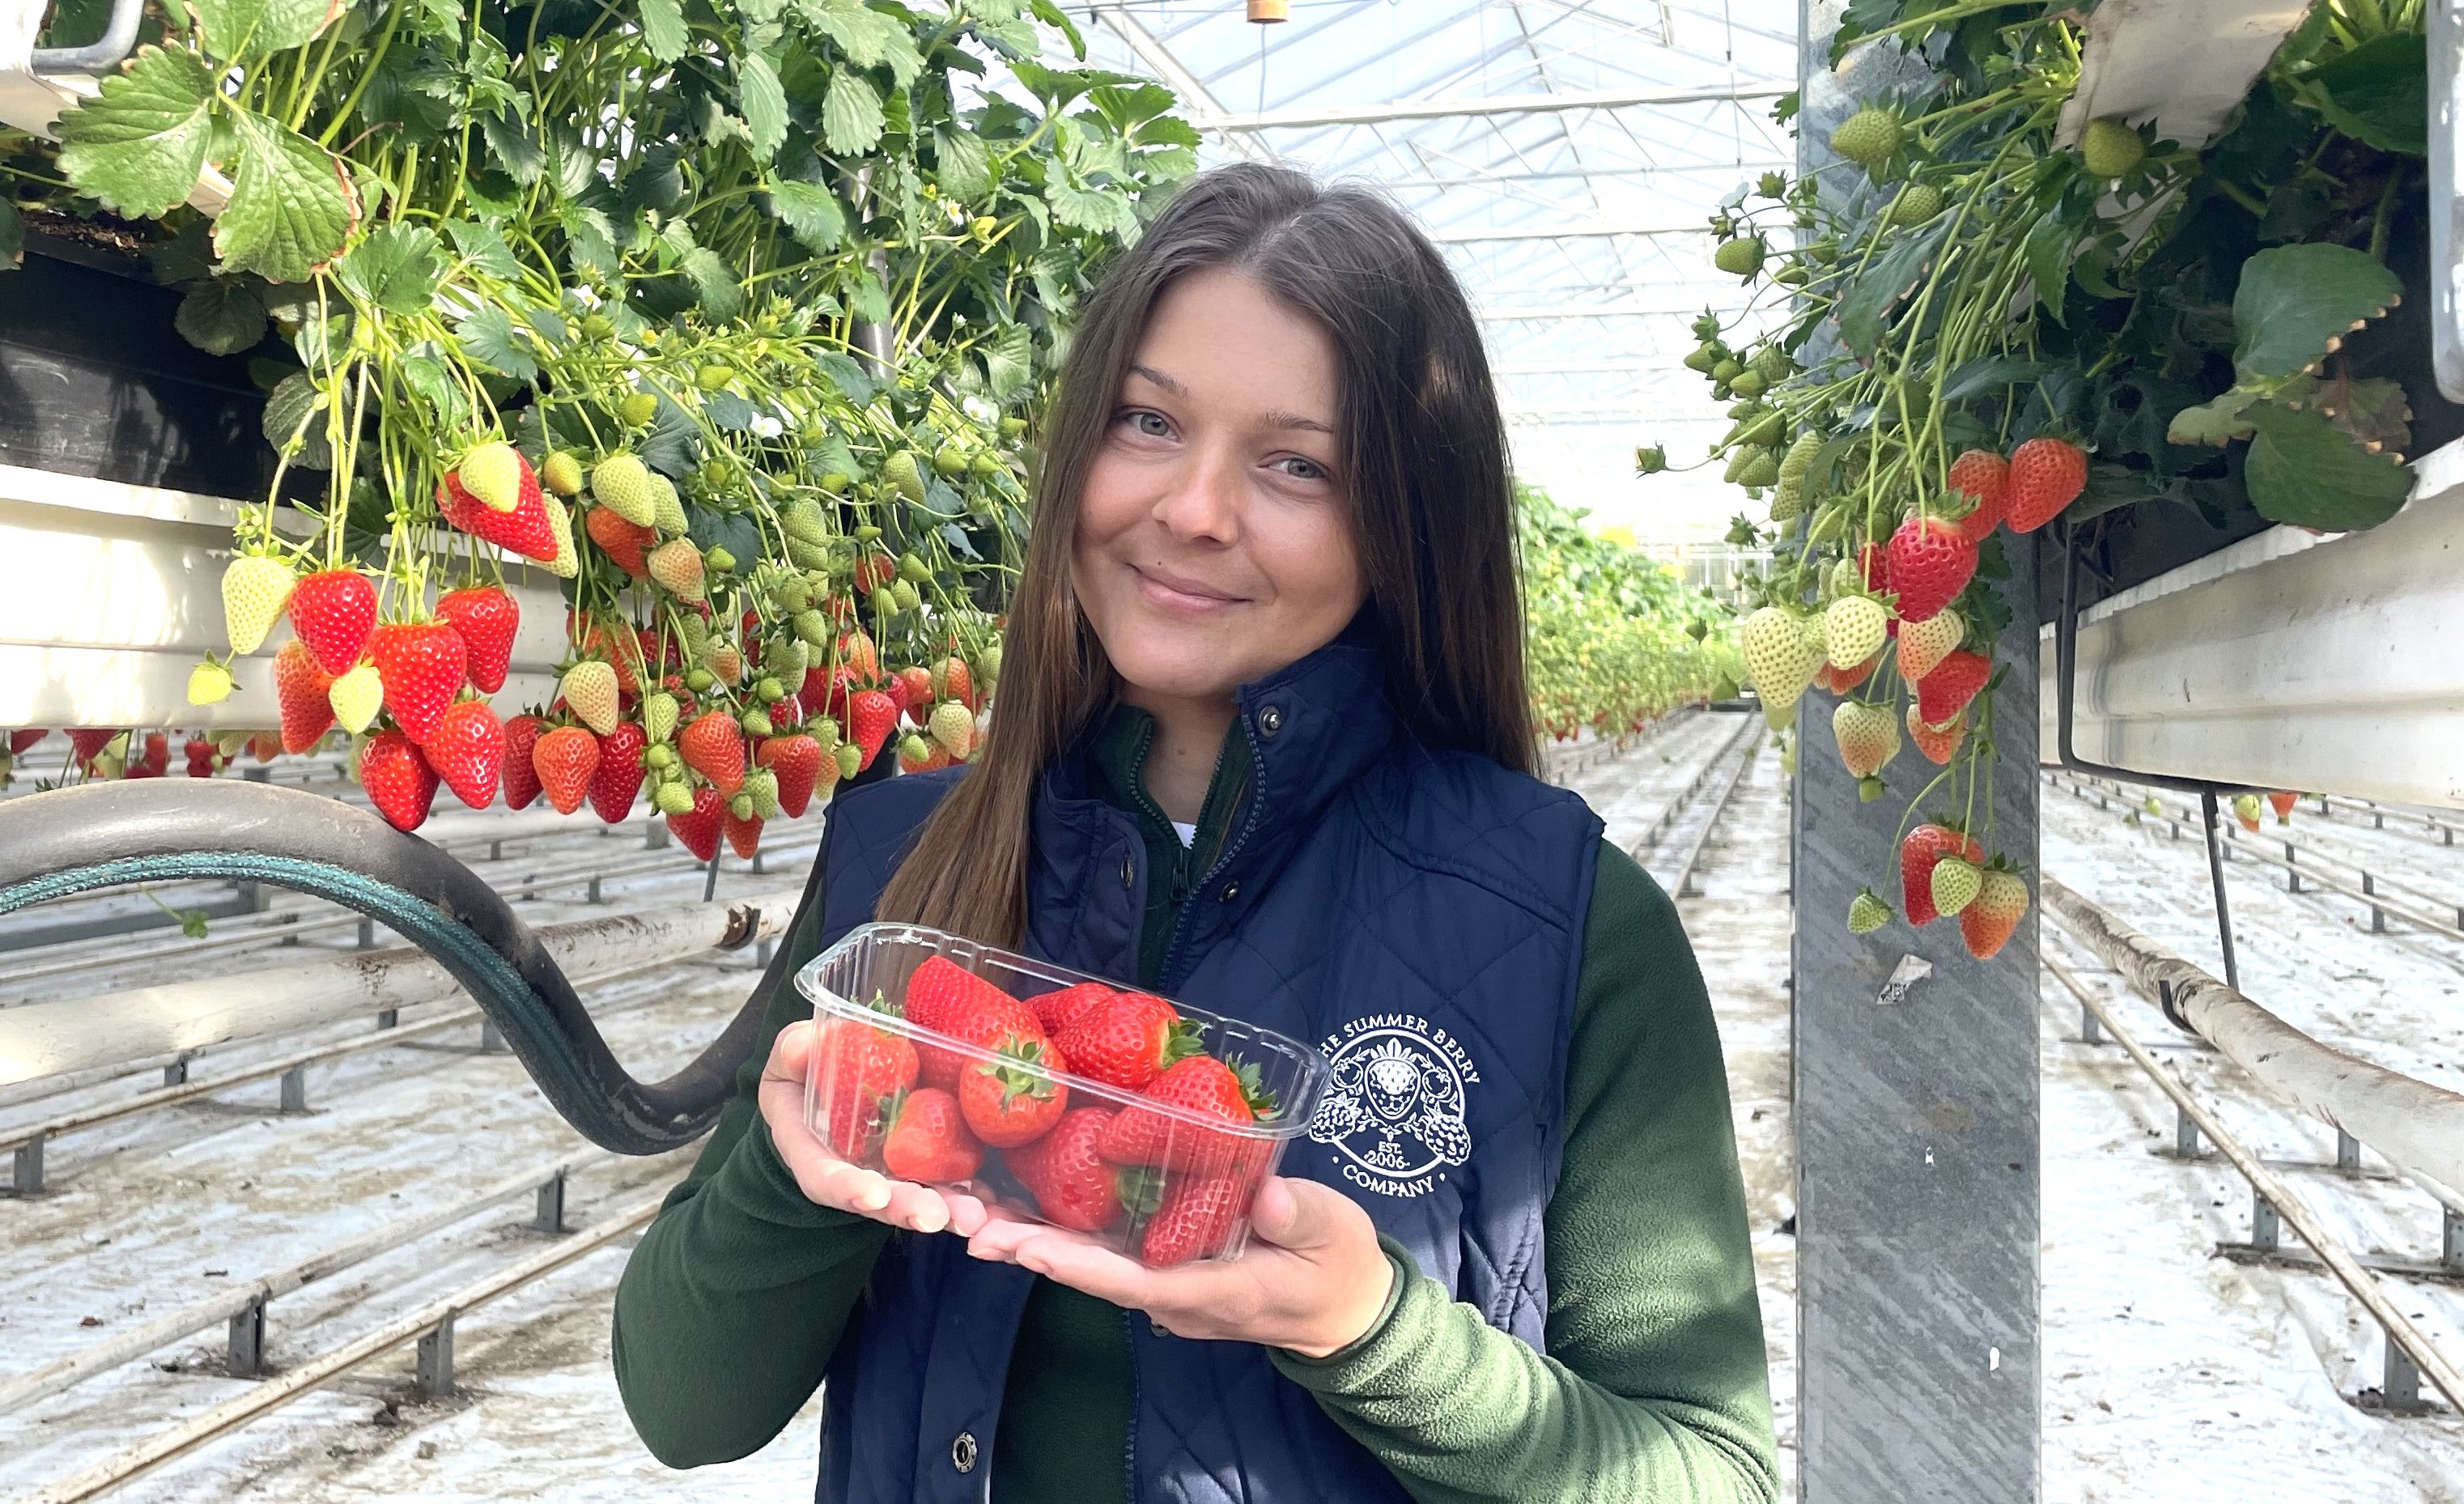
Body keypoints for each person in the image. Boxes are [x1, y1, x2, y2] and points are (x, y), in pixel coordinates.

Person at [611, 163, 1778, 1504]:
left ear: (1404, 527)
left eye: (1296, 463)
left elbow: (1711, 1472)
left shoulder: (1566, 924)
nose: (1196, 508)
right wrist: (796, 1162)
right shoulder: (905, 866)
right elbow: (679, 1401)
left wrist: (1375, 1335)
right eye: (1147, 423)